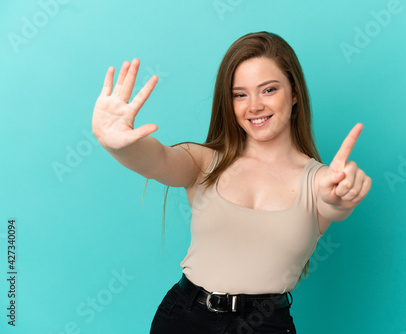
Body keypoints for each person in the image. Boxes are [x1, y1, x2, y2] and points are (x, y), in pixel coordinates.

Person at [92, 31, 371, 334]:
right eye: (240, 94)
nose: (254, 106)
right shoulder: (204, 162)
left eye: (268, 90)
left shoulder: (320, 182)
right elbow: (157, 160)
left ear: (294, 94)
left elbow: (334, 203)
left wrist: (343, 195)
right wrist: (117, 143)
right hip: (184, 318)